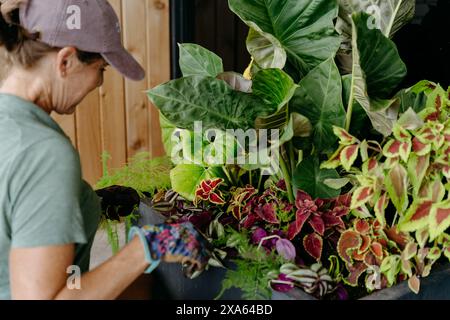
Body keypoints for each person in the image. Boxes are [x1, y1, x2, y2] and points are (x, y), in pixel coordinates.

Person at [0, 0, 210, 300]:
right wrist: (145, 249)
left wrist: (87, 203)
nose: (99, 82)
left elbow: (16, 215)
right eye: (102, 68)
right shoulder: (43, 152)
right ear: (66, 61)